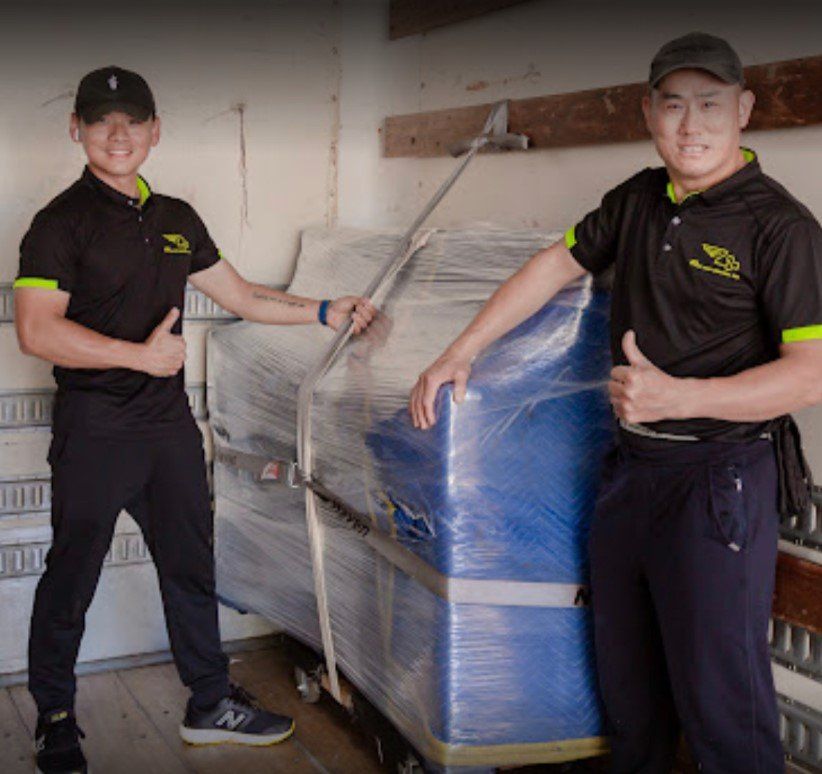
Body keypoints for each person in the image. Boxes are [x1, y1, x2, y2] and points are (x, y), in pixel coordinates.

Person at [409, 32, 822, 774]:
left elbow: (811, 374)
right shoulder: (636, 200)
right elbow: (552, 267)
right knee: (629, 699)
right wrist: (458, 352)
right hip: (631, 477)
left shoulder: (781, 228)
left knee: (724, 709)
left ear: (745, 111)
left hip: (718, 481)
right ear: (648, 114)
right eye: (673, 106)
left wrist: (679, 395)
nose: (691, 125)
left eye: (710, 104)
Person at [14, 66, 375, 774]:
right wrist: (137, 357)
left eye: (132, 121)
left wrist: (325, 311)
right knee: (71, 576)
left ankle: (209, 702)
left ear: (155, 131)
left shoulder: (176, 218)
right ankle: (56, 717)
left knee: (190, 565)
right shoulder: (58, 224)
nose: (118, 135)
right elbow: (35, 331)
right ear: (76, 130)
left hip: (167, 429)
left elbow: (241, 295)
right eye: (100, 121)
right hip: (95, 430)